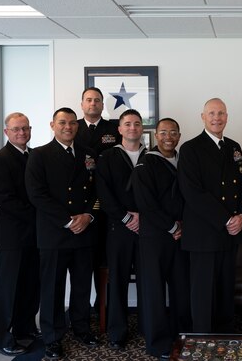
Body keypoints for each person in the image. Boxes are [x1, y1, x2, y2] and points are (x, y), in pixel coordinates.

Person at [25, 107, 99, 360]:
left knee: (81, 287)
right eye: (62, 123)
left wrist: (88, 216)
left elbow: (97, 192)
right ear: (52, 125)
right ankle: (52, 337)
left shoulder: (89, 154)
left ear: (77, 126)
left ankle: (81, 328)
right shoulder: (39, 155)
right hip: (54, 234)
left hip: (84, 232)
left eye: (72, 123)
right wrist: (67, 221)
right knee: (52, 290)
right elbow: (36, 194)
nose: (68, 127)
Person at [178, 98, 242, 333]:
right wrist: (227, 220)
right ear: (203, 117)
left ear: (227, 117)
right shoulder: (190, 148)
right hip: (203, 235)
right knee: (203, 292)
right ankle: (202, 339)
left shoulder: (234, 147)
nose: (217, 118)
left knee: (226, 289)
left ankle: (225, 338)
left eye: (221, 113)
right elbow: (193, 193)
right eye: (212, 113)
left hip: (231, 234)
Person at [132, 118, 192, 357]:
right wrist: (171, 226)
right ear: (156, 136)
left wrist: (184, 226)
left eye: (173, 132)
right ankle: (157, 343)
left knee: (181, 289)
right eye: (163, 132)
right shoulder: (146, 163)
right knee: (154, 292)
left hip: (181, 236)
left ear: (179, 135)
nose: (169, 136)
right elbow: (146, 203)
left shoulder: (184, 160)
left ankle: (183, 336)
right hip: (155, 237)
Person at [0, 112, 40, 356]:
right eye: (16, 129)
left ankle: (25, 328)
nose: (22, 133)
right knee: (7, 289)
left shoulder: (35, 156)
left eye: (25, 129)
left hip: (35, 235)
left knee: (30, 286)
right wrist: (41, 216)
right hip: (12, 236)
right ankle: (3, 339)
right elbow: (4, 200)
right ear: (6, 132)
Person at [94, 109, 146, 350]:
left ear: (142, 128)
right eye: (128, 124)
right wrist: (126, 217)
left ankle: (149, 326)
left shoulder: (152, 156)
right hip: (118, 228)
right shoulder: (107, 157)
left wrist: (144, 218)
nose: (132, 128)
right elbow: (104, 195)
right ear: (120, 129)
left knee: (149, 280)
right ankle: (117, 331)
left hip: (147, 229)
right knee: (118, 280)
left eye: (137, 124)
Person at [75, 87, 122, 313]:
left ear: (103, 105)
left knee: (108, 263)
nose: (93, 103)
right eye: (89, 100)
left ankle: (105, 307)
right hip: (80, 207)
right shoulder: (71, 127)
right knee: (84, 265)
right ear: (82, 104)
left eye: (97, 100)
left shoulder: (113, 128)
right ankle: (82, 312)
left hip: (108, 208)